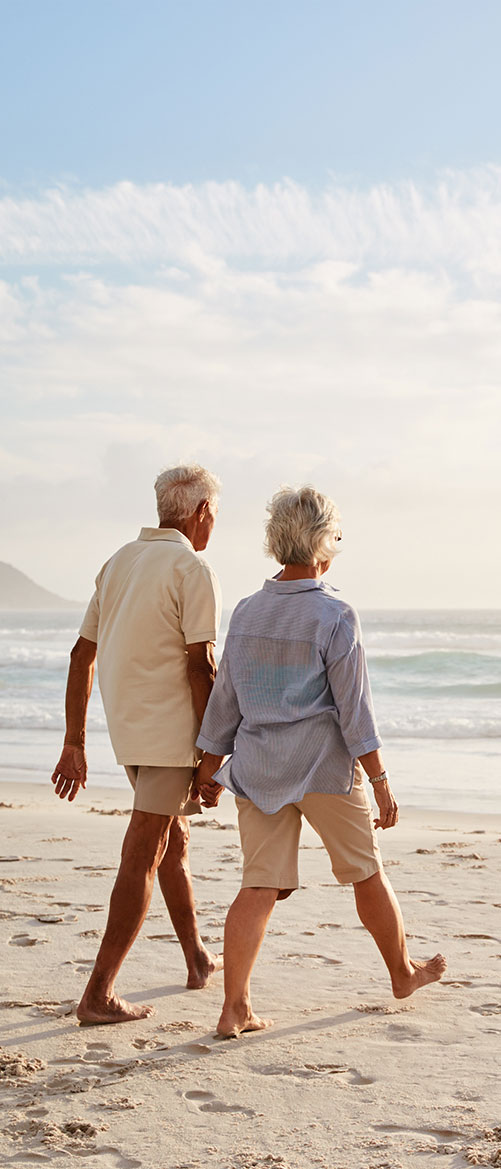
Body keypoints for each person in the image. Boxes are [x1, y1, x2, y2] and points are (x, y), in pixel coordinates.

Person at [194, 485, 447, 1038]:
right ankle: (401, 974)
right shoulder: (334, 612)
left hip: (258, 769)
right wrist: (381, 782)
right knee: (366, 872)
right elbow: (355, 711)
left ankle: (234, 1006)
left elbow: (225, 699)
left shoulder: (247, 610)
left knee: (258, 885)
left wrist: (208, 768)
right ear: (323, 543)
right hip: (323, 769)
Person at [51, 464, 224, 1024]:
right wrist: (211, 753)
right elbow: (202, 667)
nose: (213, 523)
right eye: (213, 513)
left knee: (172, 842)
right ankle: (98, 993)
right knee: (142, 853)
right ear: (200, 512)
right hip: (171, 737)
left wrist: (75, 741)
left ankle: (197, 958)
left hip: (127, 731)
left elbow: (82, 656)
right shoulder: (191, 566)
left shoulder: (119, 560)